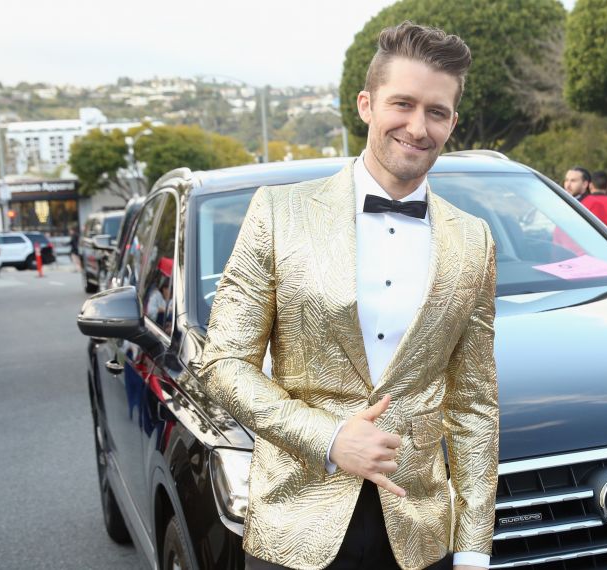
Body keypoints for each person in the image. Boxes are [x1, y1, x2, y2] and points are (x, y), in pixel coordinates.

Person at [200, 22, 498, 570]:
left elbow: (475, 404)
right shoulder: (277, 212)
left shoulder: (473, 239)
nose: (417, 126)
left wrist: (475, 545)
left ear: (452, 122)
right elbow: (222, 364)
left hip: (419, 533)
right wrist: (330, 436)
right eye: (402, 104)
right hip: (297, 522)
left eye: (436, 111)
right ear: (366, 104)